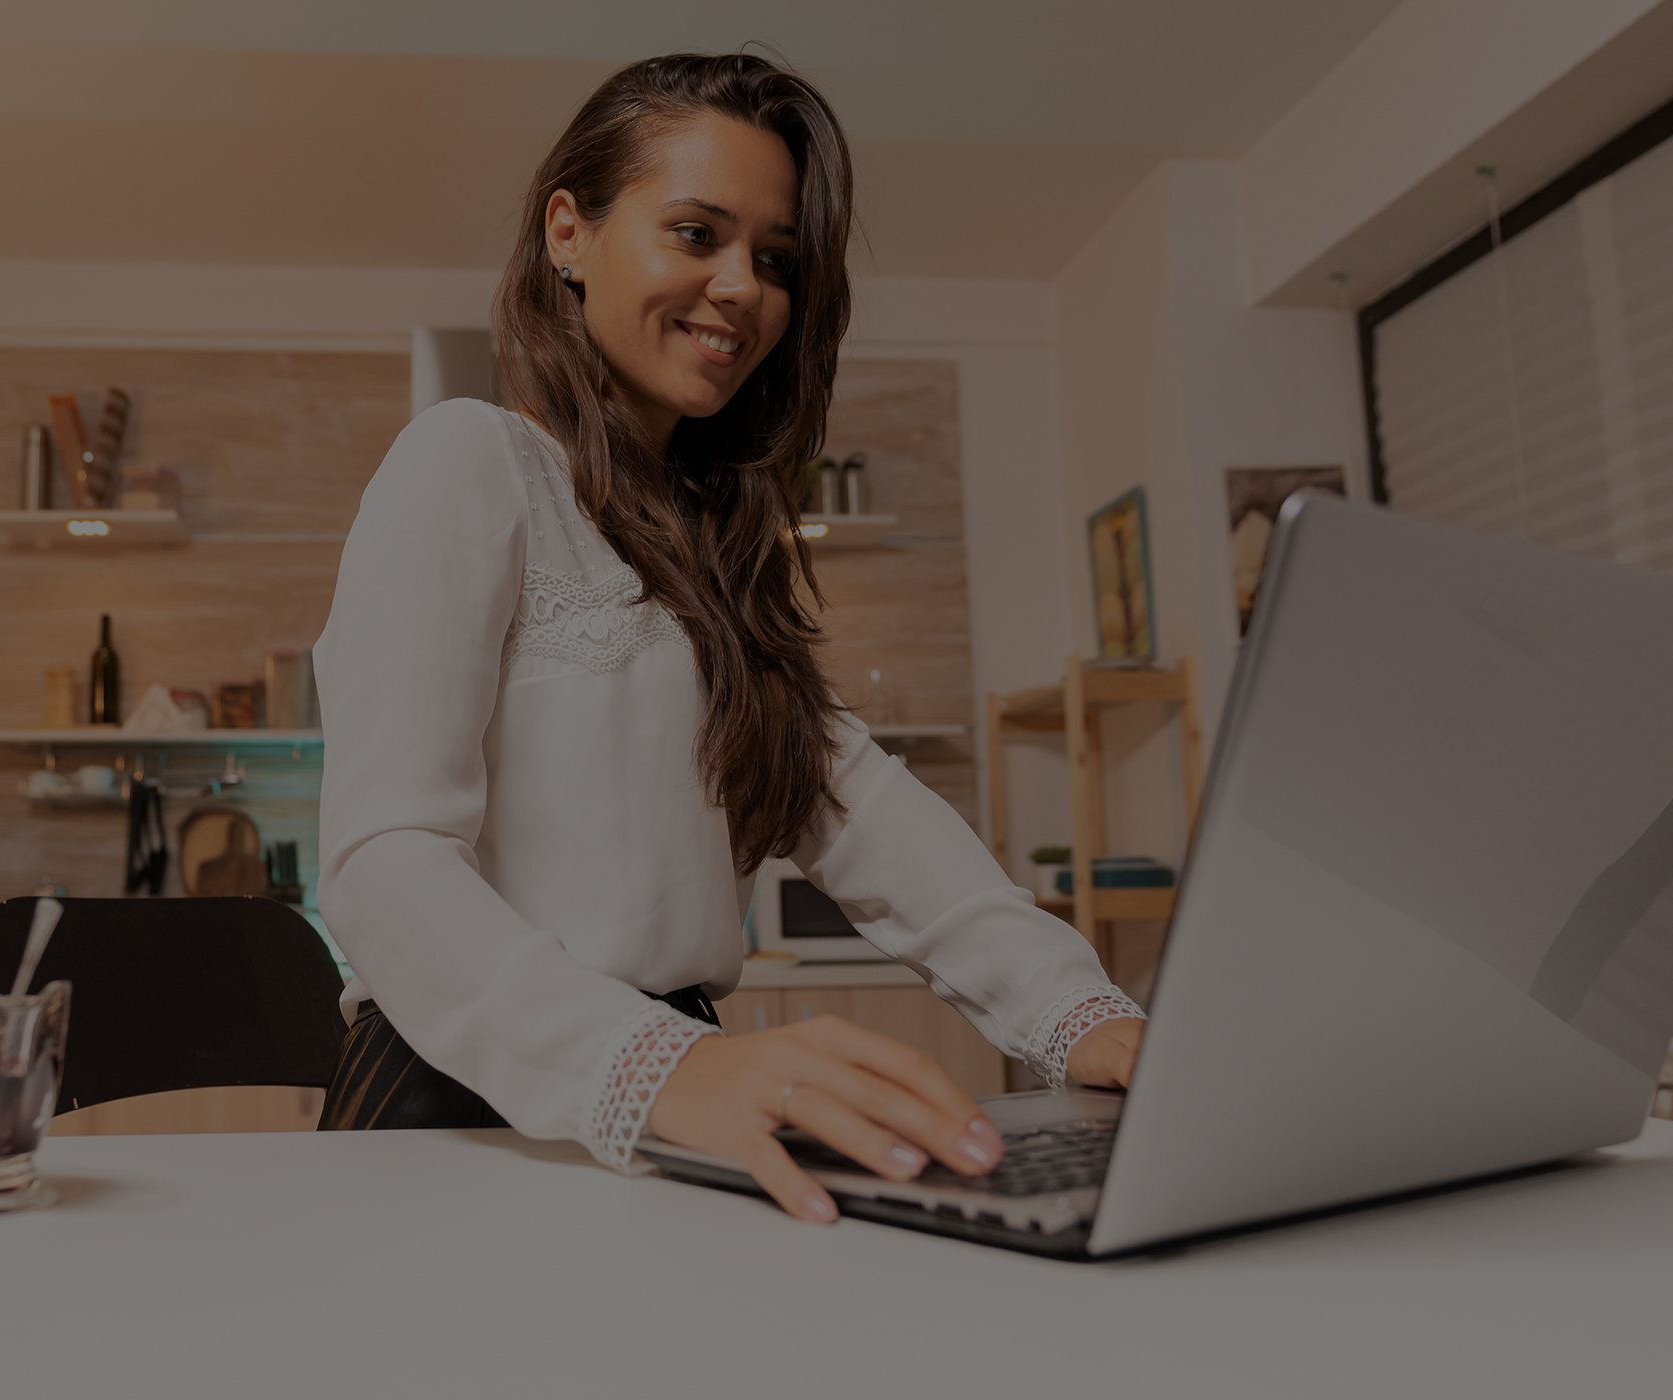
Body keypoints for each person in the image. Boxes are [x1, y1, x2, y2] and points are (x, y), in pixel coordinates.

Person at [312, 53, 1144, 1224]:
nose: (739, 287)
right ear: (568, 231)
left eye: (773, 260)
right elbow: (381, 861)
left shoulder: (712, 554)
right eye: (694, 232)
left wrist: (1090, 1019)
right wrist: (658, 1065)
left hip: (676, 1088)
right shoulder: (469, 458)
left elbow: (875, 819)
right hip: (459, 1096)